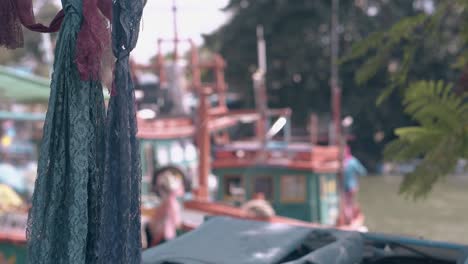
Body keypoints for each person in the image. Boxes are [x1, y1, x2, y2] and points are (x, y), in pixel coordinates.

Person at [343, 146, 367, 224]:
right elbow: (363, 172)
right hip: (352, 186)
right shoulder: (353, 161)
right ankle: (350, 220)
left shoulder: (341, 162)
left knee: (346, 203)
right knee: (351, 203)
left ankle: (347, 219)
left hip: (343, 187)